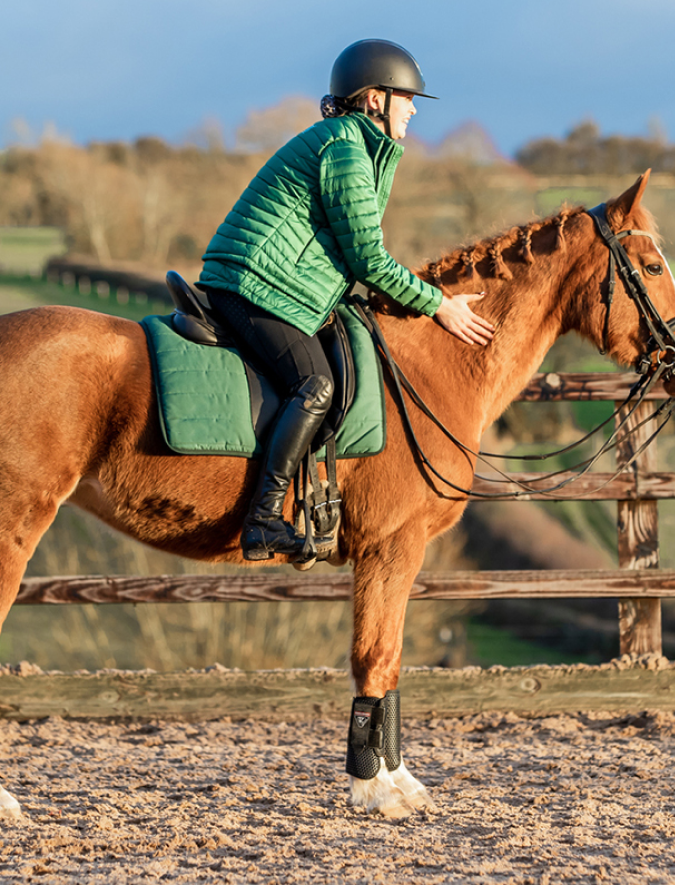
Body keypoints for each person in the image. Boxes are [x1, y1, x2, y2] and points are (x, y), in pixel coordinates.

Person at [198, 38, 495, 561]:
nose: (413, 110)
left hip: (277, 287)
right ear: (375, 98)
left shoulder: (355, 145)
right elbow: (369, 261)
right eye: (407, 98)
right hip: (253, 286)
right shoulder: (345, 147)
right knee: (314, 385)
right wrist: (439, 305)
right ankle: (263, 519)